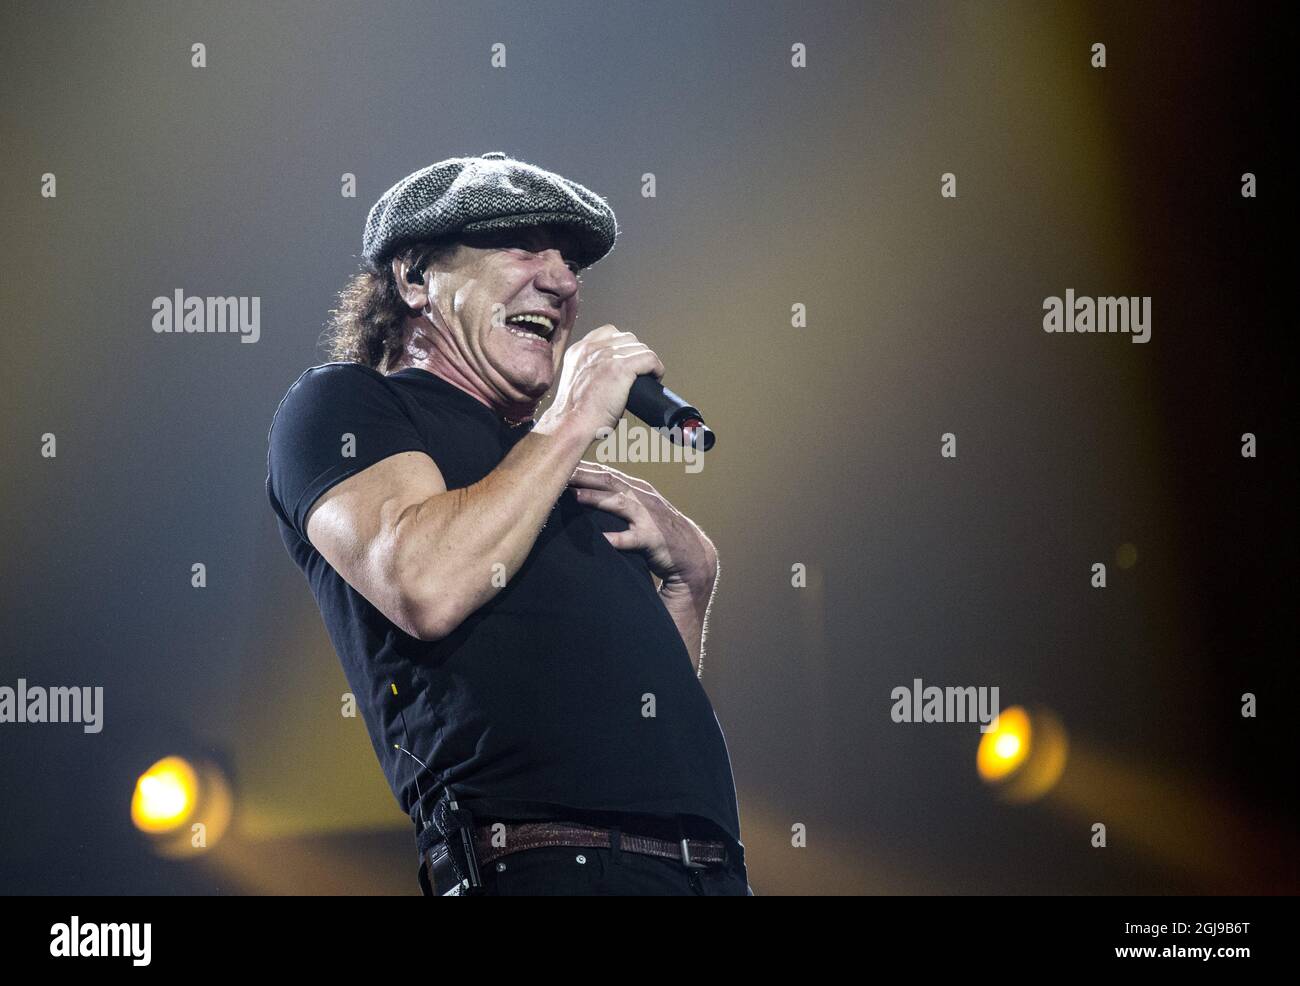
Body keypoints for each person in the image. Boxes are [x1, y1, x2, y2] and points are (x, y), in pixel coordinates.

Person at [266, 152, 750, 895]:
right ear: (417, 277)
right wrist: (573, 421)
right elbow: (422, 583)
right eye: (523, 246)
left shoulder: (550, 472)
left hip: (707, 873)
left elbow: (632, 723)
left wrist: (689, 585)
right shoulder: (347, 407)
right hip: (542, 867)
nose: (561, 281)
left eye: (570, 263)